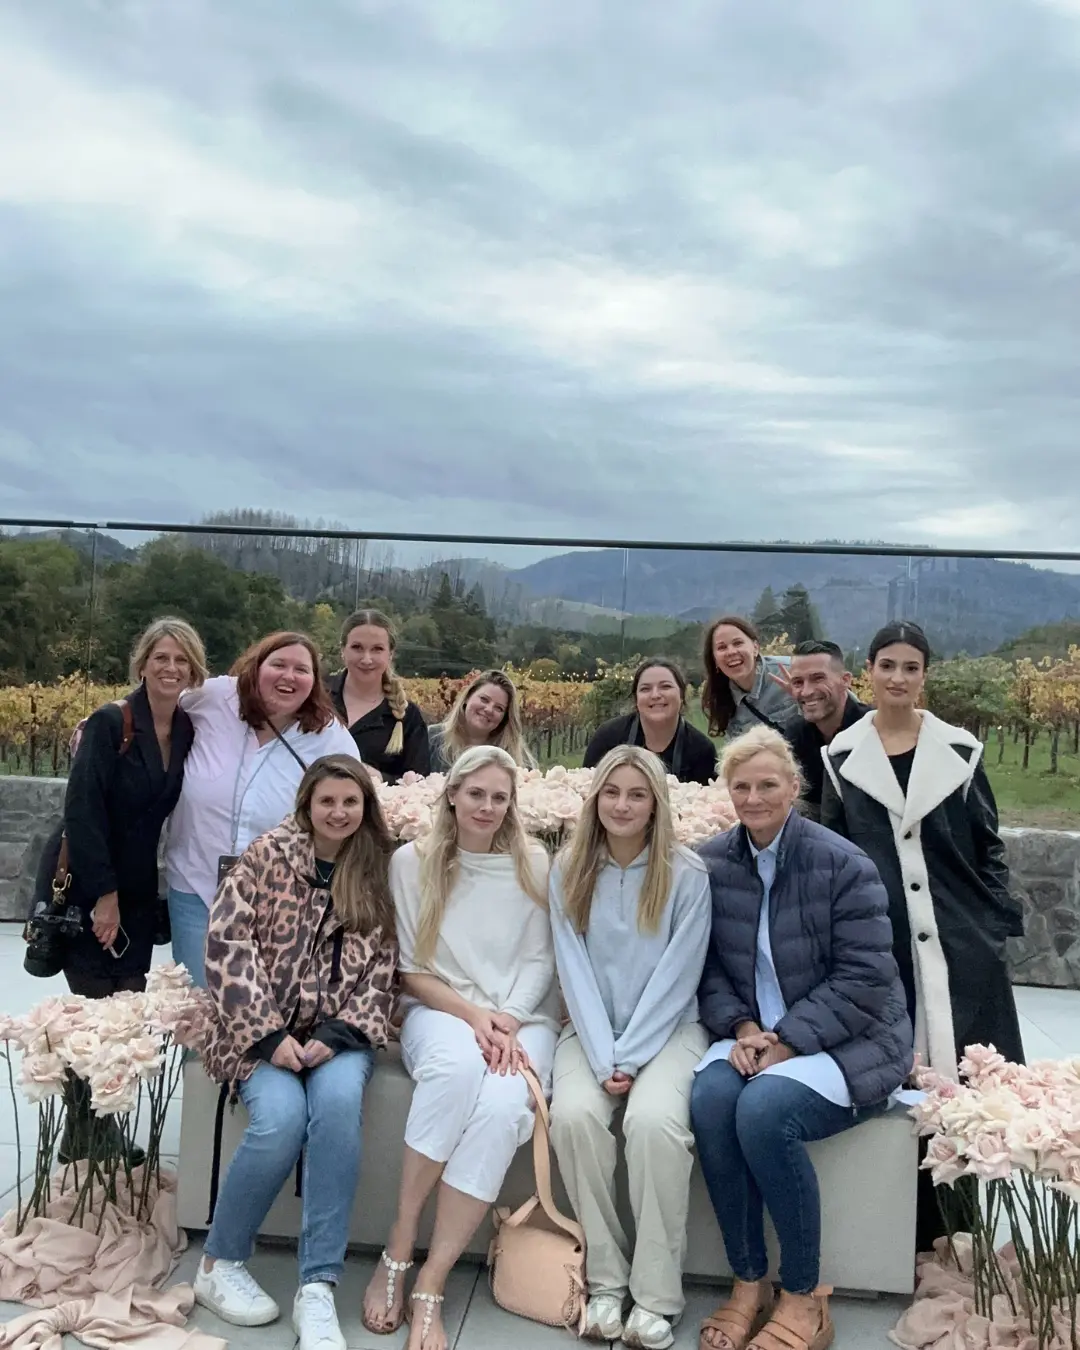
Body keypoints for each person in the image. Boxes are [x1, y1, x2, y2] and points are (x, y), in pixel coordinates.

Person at [692, 726, 911, 1350]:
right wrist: (741, 1027)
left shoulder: (842, 863)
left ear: (794, 786)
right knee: (710, 1102)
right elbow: (706, 967)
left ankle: (803, 1295)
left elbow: (867, 977)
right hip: (752, 1031)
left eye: (769, 784)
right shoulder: (712, 863)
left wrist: (784, 1042)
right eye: (742, 786)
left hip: (851, 1038)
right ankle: (747, 1281)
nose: (754, 797)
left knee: (763, 1111)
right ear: (726, 790)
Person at [820, 620, 1025, 1250]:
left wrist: (990, 928)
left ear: (924, 675)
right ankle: (902, 1236)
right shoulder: (841, 757)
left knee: (964, 1089)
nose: (898, 678)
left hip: (959, 948)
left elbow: (987, 848)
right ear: (868, 671)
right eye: (888, 665)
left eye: (911, 667)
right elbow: (834, 855)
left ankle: (961, 1233)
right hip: (883, 949)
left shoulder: (959, 751)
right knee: (898, 1083)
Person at [195, 755, 397, 1350]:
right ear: (307, 804)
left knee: (335, 1110)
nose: (339, 812)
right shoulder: (267, 857)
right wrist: (268, 1036)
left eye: (350, 802)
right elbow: (226, 945)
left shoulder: (377, 870)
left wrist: (334, 1036)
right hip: (261, 1031)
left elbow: (384, 967)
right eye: (327, 801)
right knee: (280, 1119)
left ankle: (318, 1287)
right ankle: (219, 1263)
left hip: (340, 1034)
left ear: (366, 808)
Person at [361, 745, 557, 1350]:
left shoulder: (534, 862)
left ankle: (433, 1280)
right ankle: (399, 1245)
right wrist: (475, 1016)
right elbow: (412, 967)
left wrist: (508, 1018)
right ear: (452, 794)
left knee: (502, 1110)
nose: (488, 807)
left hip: (522, 1017)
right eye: (476, 793)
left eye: (500, 797)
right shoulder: (412, 862)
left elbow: (541, 958)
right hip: (441, 1007)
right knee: (451, 1072)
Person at [548, 746, 712, 1350]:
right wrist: (603, 1057)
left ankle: (657, 1295)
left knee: (653, 1125)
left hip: (669, 1032)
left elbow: (679, 976)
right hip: (591, 1033)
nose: (622, 805)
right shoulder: (567, 870)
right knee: (573, 1116)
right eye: (611, 792)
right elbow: (573, 971)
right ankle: (607, 1282)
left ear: (656, 804)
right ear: (595, 799)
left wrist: (633, 1057)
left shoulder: (687, 875)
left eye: (636, 794)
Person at [56, 617, 204, 1166]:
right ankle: (81, 1132)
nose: (170, 668)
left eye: (181, 660)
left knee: (124, 1013)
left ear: (193, 669)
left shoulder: (186, 729)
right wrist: (103, 894)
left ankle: (101, 1127)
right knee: (92, 1010)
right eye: (161, 658)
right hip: (95, 881)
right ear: (142, 664)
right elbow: (82, 810)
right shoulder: (108, 723)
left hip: (141, 887)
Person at [165, 631, 360, 987]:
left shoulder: (329, 737)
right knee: (199, 1006)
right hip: (197, 887)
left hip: (279, 900)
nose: (289, 676)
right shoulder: (215, 697)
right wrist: (111, 720)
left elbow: (354, 801)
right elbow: (157, 705)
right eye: (278, 664)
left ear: (315, 681)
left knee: (259, 1005)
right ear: (256, 667)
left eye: (302, 669)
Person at [326, 609, 430, 782]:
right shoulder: (316, 695)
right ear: (342, 650)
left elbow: (420, 785)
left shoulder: (408, 718)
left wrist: (379, 777)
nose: (367, 659)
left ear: (390, 654)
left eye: (377, 649)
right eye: (357, 647)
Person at [583, 659, 718, 786]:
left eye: (665, 686)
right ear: (636, 698)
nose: (655, 695)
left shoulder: (702, 750)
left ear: (682, 695)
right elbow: (586, 789)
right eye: (645, 689)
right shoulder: (608, 737)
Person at [780, 641, 871, 820]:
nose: (806, 692)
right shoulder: (794, 737)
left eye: (818, 679)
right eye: (798, 682)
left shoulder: (873, 730)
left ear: (845, 681)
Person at [702, 616, 798, 741]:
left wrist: (803, 699)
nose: (731, 652)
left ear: (755, 648)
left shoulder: (791, 671)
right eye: (722, 647)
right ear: (714, 659)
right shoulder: (720, 698)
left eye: (738, 643)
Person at [427, 670, 536, 773]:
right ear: (467, 698)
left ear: (505, 718)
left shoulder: (516, 755)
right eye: (484, 699)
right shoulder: (430, 738)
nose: (489, 709)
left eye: (499, 708)